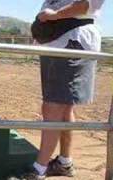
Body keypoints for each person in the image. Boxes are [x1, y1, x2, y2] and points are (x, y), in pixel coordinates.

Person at [23, 0, 105, 179]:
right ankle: (64, 162)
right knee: (64, 106)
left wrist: (55, 15)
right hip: (57, 41)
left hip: (72, 39)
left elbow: (88, 4)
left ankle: (39, 169)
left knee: (53, 106)